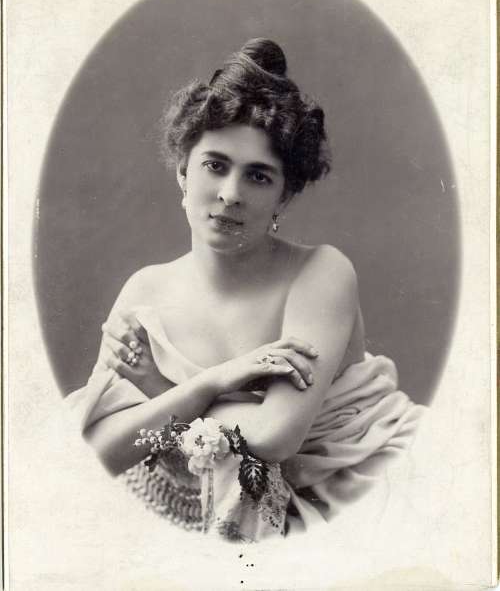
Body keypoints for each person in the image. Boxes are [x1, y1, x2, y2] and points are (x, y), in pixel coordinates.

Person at [66, 38, 424, 541]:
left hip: (360, 494)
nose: (231, 194)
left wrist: (160, 392)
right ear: (183, 172)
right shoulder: (145, 291)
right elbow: (99, 451)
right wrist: (214, 382)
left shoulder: (320, 272)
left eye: (258, 176)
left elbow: (274, 437)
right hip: (223, 513)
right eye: (215, 165)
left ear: (284, 196)